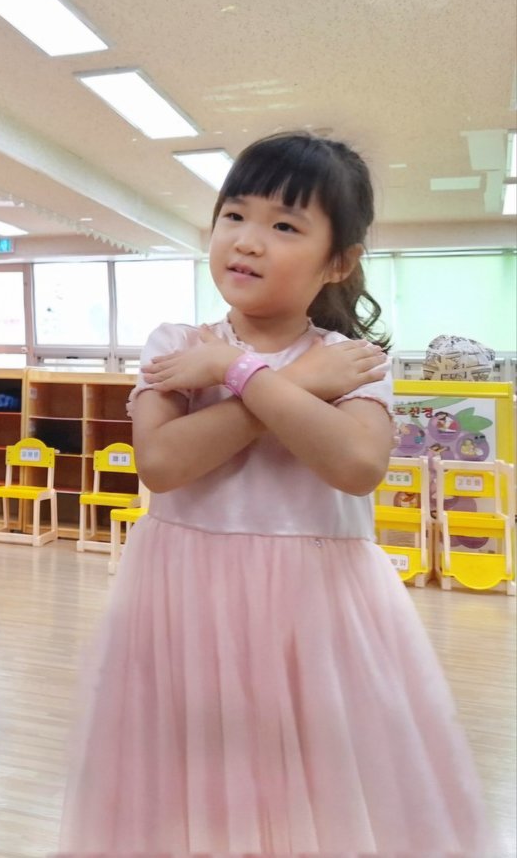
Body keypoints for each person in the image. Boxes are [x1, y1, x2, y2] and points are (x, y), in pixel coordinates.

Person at [58, 132, 494, 854]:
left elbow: (356, 464)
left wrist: (237, 373)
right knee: (189, 796)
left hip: (313, 612)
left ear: (339, 261)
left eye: (285, 226)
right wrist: (289, 384)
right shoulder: (177, 343)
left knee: (312, 801)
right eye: (234, 215)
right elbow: (163, 464)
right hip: (184, 601)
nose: (248, 240)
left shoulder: (352, 360)